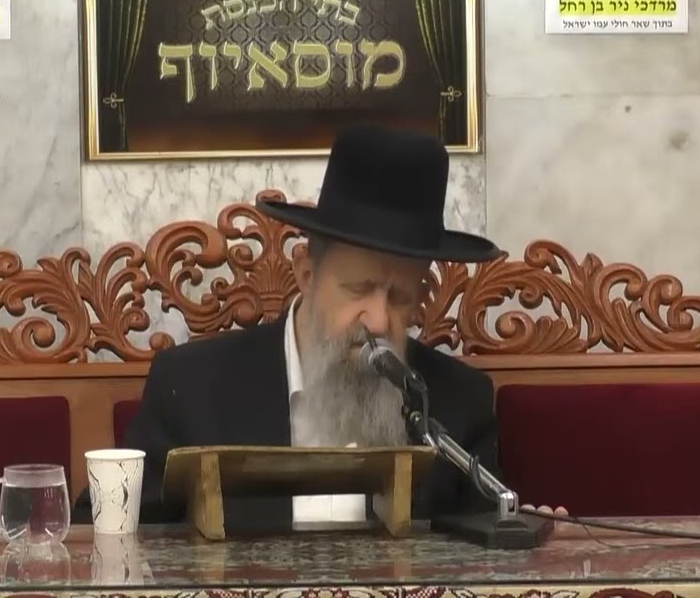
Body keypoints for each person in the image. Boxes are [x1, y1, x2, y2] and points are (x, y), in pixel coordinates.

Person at [73, 125, 562, 530]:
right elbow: (99, 533)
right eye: (359, 289)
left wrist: (530, 546)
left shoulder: (457, 402)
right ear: (306, 274)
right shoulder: (193, 387)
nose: (378, 320)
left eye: (400, 298)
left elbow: (486, 546)